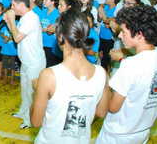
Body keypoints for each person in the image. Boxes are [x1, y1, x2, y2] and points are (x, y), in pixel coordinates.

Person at [30, 9, 109, 144]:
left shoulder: (49, 76)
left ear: (60, 36)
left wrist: (39, 91)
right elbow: (101, 112)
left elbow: (35, 121)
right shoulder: (102, 73)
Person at [96, 5, 157, 144]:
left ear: (139, 34)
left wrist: (103, 78)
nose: (119, 35)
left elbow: (112, 106)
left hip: (118, 134)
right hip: (142, 131)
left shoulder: (131, 65)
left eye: (123, 31)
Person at [3, 0, 46, 129]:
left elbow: (16, 38)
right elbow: (16, 33)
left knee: (32, 92)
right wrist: (9, 22)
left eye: (13, 5)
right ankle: (23, 112)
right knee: (24, 90)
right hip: (26, 61)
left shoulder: (31, 18)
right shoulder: (23, 18)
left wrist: (11, 19)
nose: (12, 8)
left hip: (34, 62)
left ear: (21, 4)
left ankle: (30, 119)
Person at [97, 0, 122, 73]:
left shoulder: (115, 10)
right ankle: (106, 74)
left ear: (113, 0)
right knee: (101, 56)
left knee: (105, 59)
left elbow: (108, 26)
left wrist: (103, 13)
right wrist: (100, 13)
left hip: (109, 38)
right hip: (102, 36)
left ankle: (106, 78)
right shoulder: (106, 7)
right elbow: (99, 19)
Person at [40, 0, 59, 67]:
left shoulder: (57, 14)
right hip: (41, 43)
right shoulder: (43, 11)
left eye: (46, 0)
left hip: (50, 45)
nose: (43, 1)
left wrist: (45, 30)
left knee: (50, 65)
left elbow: (52, 31)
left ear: (53, 2)